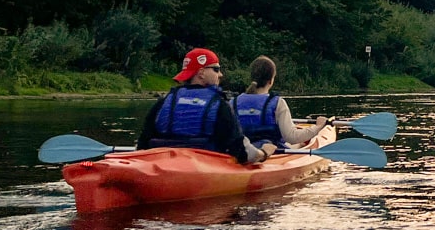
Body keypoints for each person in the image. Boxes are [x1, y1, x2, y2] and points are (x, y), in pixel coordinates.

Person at [137, 48, 274, 164]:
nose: (220, 74)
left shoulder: (164, 101)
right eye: (216, 69)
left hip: (164, 163)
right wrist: (263, 153)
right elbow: (243, 153)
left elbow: (142, 145)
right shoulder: (219, 105)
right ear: (201, 73)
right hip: (203, 166)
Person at [233, 55, 329, 149]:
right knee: (291, 143)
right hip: (270, 154)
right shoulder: (278, 103)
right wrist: (318, 127)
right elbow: (292, 137)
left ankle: (298, 146)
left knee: (295, 145)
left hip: (241, 153)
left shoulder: (232, 103)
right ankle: (298, 146)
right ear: (271, 81)